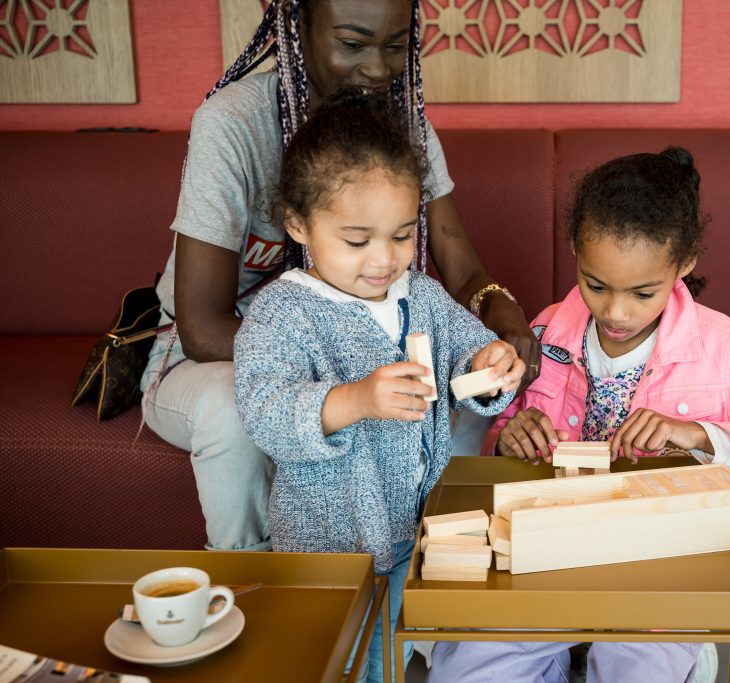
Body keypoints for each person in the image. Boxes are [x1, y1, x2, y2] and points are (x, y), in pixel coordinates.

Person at [140, 0, 538, 553]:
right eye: (352, 44)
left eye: (396, 46)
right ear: (297, 28)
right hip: (217, 358)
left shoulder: (402, 127)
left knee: (449, 403)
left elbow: (463, 271)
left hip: (363, 353)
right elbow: (202, 328)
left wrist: (495, 327)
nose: (378, 69)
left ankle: (433, 561)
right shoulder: (233, 124)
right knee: (234, 412)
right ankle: (257, 580)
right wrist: (354, 378)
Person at [429, 148, 730, 683]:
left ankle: (669, 651)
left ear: (683, 264)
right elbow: (501, 431)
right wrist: (508, 436)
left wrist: (700, 435)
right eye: (596, 285)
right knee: (471, 671)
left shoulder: (728, 350)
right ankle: (572, 648)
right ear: (575, 249)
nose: (616, 313)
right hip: (547, 554)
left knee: (637, 667)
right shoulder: (547, 330)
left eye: (643, 293)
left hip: (662, 569)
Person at [233, 88, 524, 682]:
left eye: (400, 235)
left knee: (388, 658)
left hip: (413, 528)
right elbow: (264, 409)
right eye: (357, 239)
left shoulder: (421, 295)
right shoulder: (283, 314)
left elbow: (470, 361)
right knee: (335, 660)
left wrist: (493, 365)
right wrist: (355, 399)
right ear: (298, 224)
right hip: (330, 545)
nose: (384, 259)